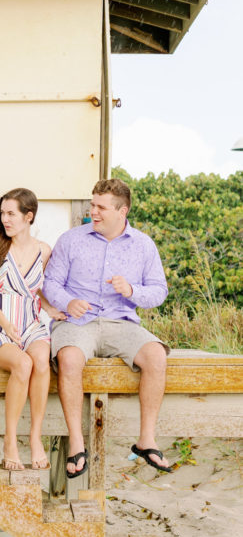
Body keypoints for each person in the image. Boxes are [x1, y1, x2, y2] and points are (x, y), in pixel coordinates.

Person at [43, 177, 172, 478]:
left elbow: (159, 292)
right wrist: (68, 301)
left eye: (101, 207)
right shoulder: (71, 239)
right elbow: (51, 283)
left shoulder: (143, 245)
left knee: (156, 356)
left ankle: (146, 440)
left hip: (121, 321)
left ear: (122, 211)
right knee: (69, 359)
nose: (94, 212)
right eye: (92, 205)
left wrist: (131, 291)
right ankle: (77, 441)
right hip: (78, 322)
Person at [0, 188, 65, 472]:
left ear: (28, 216)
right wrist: (5, 323)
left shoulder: (44, 250)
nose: (5, 219)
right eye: (3, 213)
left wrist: (49, 310)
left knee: (42, 363)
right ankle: (10, 440)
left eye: (11, 213)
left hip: (30, 322)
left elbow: (35, 290)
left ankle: (35, 438)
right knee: (22, 364)